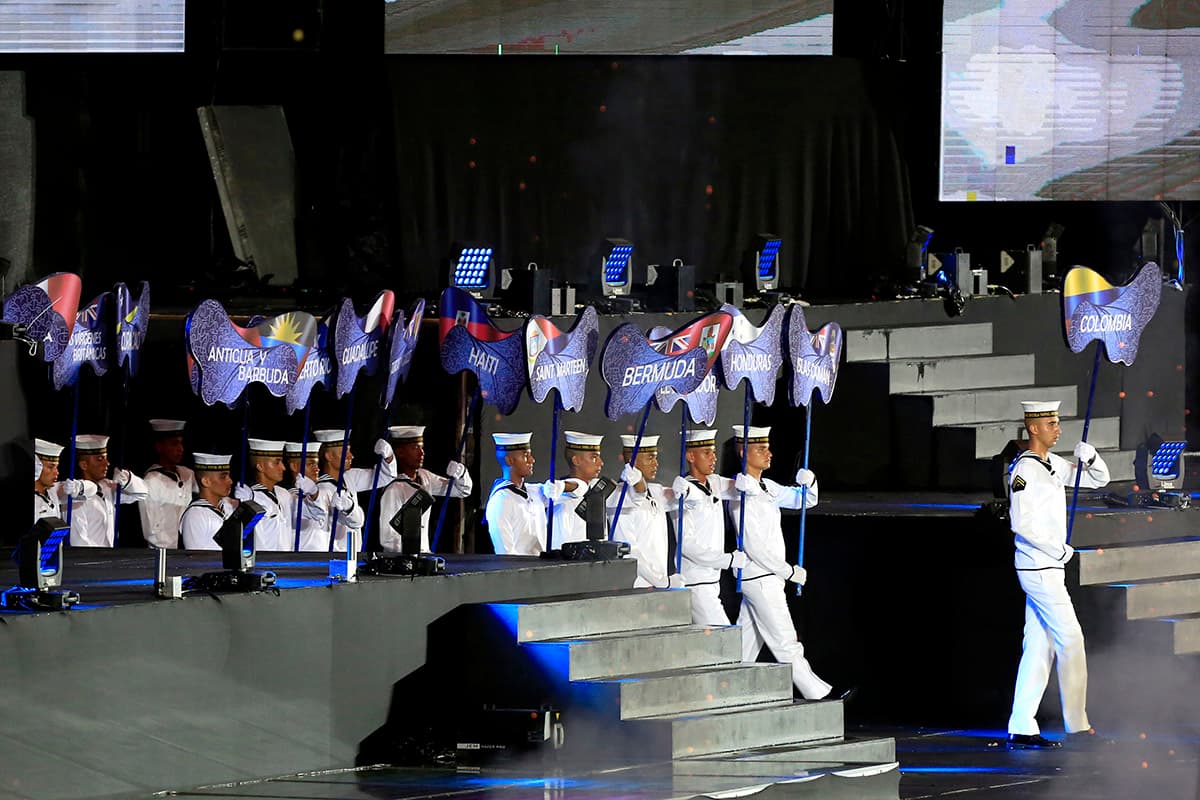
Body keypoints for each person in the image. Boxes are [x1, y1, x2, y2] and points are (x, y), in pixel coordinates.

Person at [1006, 400, 1110, 750]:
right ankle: (1077, 726)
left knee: (1040, 645)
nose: (1058, 429)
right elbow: (1021, 523)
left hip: (1048, 566)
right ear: (1033, 428)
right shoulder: (1025, 469)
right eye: (1051, 424)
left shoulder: (1050, 463)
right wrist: (1057, 549)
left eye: (1057, 422)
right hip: (1039, 566)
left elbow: (1098, 480)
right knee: (1071, 639)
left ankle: (1022, 724)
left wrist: (1091, 458)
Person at [728, 425, 841, 701]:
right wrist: (789, 571)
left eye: (768, 448)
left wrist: (809, 482)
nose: (769, 453)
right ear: (744, 453)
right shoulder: (741, 493)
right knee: (786, 642)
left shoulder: (767, 487)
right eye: (760, 449)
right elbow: (755, 547)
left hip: (768, 578)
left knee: (744, 644)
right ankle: (819, 694)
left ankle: (725, 689)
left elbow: (804, 501)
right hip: (760, 577)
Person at [671, 428, 748, 625]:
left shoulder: (714, 482)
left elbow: (743, 489)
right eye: (707, 453)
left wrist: (746, 480)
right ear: (690, 456)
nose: (714, 458)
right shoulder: (683, 492)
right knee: (722, 636)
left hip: (712, 579)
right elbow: (687, 545)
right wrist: (727, 559)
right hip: (695, 580)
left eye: (713, 452)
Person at [377, 425, 471, 553]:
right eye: (415, 448)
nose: (422, 453)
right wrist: (409, 556)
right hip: (403, 558)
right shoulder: (393, 489)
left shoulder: (425, 477)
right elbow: (388, 537)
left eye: (422, 448)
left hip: (424, 555)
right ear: (400, 452)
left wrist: (461, 474)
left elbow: (462, 491)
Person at [607, 435, 684, 589]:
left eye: (655, 457)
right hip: (637, 585)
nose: (656, 463)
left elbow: (686, 502)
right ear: (633, 462)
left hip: (657, 583)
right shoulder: (619, 499)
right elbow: (628, 551)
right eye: (650, 458)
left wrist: (686, 489)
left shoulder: (655, 491)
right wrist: (661, 581)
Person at [485, 432, 581, 555]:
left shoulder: (535, 491)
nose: (532, 460)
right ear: (510, 460)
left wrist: (561, 486)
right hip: (519, 566)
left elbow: (579, 491)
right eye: (526, 456)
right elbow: (504, 552)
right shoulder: (501, 500)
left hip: (540, 563)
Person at [68, 434, 149, 547]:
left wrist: (127, 479)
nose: (107, 463)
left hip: (109, 555)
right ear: (84, 465)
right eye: (100, 459)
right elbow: (79, 542)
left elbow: (142, 494)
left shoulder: (106, 487)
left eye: (106, 458)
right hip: (91, 557)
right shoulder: (76, 496)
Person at [241, 438, 321, 551]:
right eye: (277, 462)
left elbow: (316, 515)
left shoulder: (284, 494)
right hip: (262, 559)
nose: (283, 468)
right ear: (260, 467)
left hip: (285, 560)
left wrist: (313, 493)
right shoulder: (249, 496)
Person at [140, 419, 197, 549]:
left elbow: (207, 489)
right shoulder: (151, 481)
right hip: (164, 551)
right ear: (159, 447)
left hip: (187, 549)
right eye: (174, 444)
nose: (180, 449)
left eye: (181, 443)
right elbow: (151, 528)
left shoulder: (187, 474)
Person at [312, 429, 368, 553]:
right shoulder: (322, 490)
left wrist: (388, 458)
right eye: (345, 452)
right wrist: (350, 510)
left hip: (353, 553)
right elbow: (355, 522)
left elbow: (384, 477)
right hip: (337, 556)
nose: (350, 456)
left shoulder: (348, 479)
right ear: (329, 456)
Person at [549, 430, 604, 544]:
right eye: (594, 457)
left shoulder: (597, 490)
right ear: (576, 460)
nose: (601, 463)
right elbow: (560, 543)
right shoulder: (562, 499)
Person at [179, 452, 239, 550]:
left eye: (228, 476)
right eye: (223, 477)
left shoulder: (227, 508)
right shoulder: (196, 515)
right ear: (206, 481)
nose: (230, 481)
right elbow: (194, 555)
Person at [33, 438, 92, 523]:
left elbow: (92, 489)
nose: (56, 472)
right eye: (50, 467)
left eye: (56, 467)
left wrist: (79, 486)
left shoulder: (53, 491)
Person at [284, 439, 325, 551]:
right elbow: (317, 514)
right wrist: (313, 494)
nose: (317, 469)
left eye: (317, 464)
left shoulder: (322, 493)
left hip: (324, 556)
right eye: (311, 464)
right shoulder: (288, 497)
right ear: (294, 466)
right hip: (301, 558)